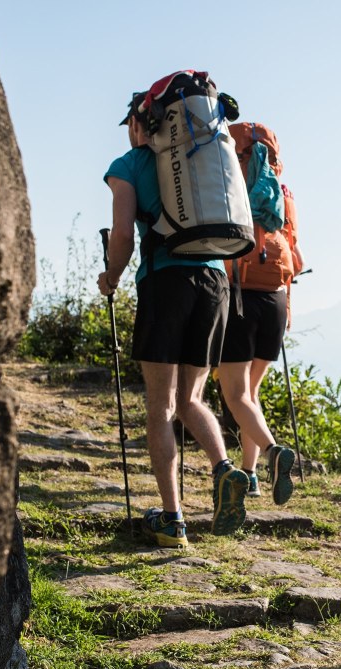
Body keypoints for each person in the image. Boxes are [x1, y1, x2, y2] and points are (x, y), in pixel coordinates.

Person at [97, 91, 250, 548]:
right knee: (192, 398)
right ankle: (224, 469)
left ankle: (173, 519)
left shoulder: (128, 164)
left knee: (161, 406)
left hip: (165, 284)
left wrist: (111, 275)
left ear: (140, 124)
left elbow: (123, 232)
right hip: (213, 282)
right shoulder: (204, 152)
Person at [216, 123, 300, 505]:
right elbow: (294, 252)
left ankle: (271, 453)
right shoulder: (283, 193)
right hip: (276, 299)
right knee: (251, 392)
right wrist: (288, 307)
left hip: (239, 294)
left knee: (234, 392)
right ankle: (249, 475)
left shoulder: (231, 185)